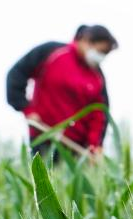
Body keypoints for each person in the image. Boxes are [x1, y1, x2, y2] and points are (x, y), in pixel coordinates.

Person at [6, 25, 117, 156]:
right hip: (43, 136)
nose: (101, 57)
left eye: (105, 54)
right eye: (100, 51)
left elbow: (99, 113)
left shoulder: (97, 76)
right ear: (86, 41)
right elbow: (16, 75)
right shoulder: (52, 52)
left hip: (76, 148)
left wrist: (94, 146)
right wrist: (26, 109)